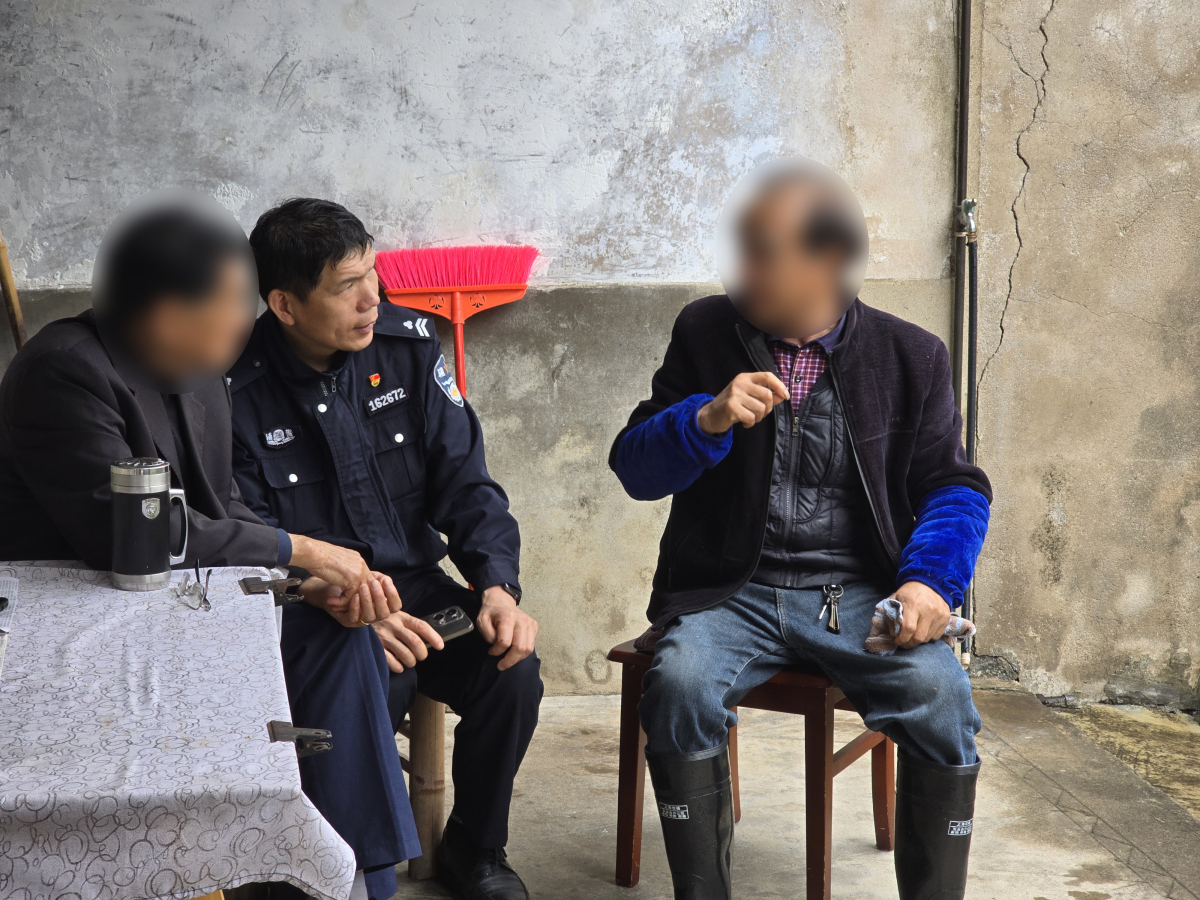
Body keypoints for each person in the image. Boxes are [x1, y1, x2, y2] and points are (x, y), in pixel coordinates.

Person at [0, 193, 417, 900]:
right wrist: (303, 550)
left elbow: (224, 507)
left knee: (337, 633)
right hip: (81, 620)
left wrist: (301, 583)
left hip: (181, 604)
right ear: (169, 313)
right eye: (234, 304)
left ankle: (347, 876)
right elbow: (138, 535)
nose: (246, 321)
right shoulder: (63, 372)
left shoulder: (196, 369)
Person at [609, 160, 991, 900]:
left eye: (761, 253)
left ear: (827, 259)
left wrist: (928, 583)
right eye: (741, 248)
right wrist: (703, 420)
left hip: (859, 598)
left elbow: (954, 487)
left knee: (943, 701)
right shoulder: (705, 331)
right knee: (679, 685)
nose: (741, 271)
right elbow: (635, 468)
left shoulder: (911, 356)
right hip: (731, 591)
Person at [226, 198, 542, 900]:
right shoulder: (236, 389)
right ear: (284, 304)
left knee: (511, 669)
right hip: (315, 608)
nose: (372, 297)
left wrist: (497, 587)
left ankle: (475, 850)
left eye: (372, 273)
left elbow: (468, 486)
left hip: (416, 590)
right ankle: (344, 867)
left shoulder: (408, 348)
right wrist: (330, 597)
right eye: (347, 286)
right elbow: (247, 542)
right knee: (370, 679)